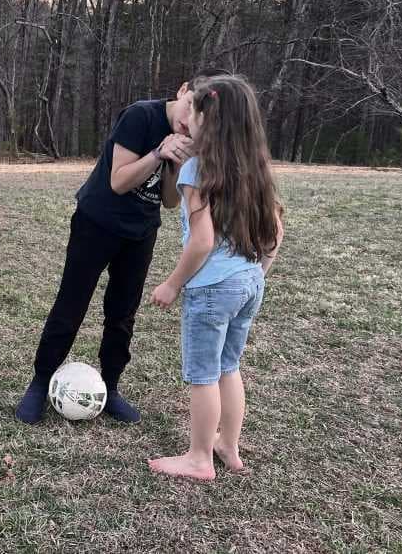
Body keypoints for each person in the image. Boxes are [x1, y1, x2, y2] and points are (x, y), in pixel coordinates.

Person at [15, 70, 229, 425]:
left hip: (140, 233)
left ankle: (111, 387)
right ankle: (39, 383)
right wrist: (159, 151)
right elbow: (118, 181)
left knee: (122, 314)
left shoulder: (190, 137)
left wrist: (175, 165)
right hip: (96, 222)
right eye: (189, 106)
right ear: (181, 91)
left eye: (198, 115)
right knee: (71, 305)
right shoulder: (140, 116)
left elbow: (170, 202)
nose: (189, 120)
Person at [147, 75, 284, 480]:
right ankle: (228, 445)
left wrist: (172, 284)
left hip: (211, 289)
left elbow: (202, 241)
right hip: (249, 284)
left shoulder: (195, 170)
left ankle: (199, 457)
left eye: (194, 111)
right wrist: (255, 274)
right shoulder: (255, 169)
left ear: (210, 121)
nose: (186, 116)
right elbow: (275, 233)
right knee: (229, 367)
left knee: (203, 374)